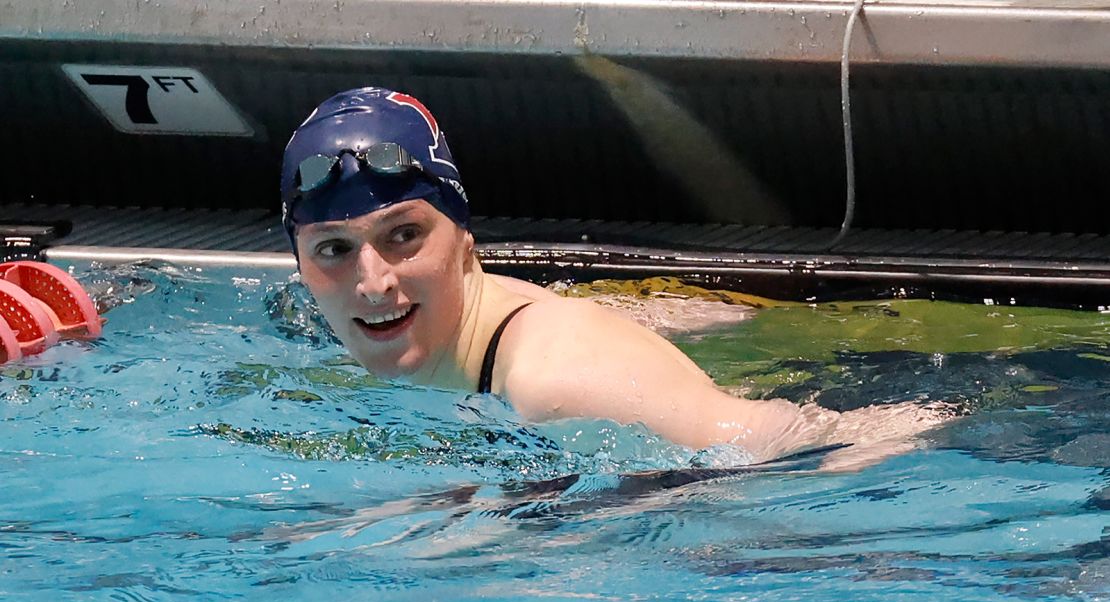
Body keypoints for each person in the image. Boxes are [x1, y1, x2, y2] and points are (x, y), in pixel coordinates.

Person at [281, 87, 946, 468]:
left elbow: (845, 433)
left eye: (404, 235)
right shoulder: (453, 336)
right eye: (334, 249)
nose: (372, 282)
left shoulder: (557, 383)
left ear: (464, 240)